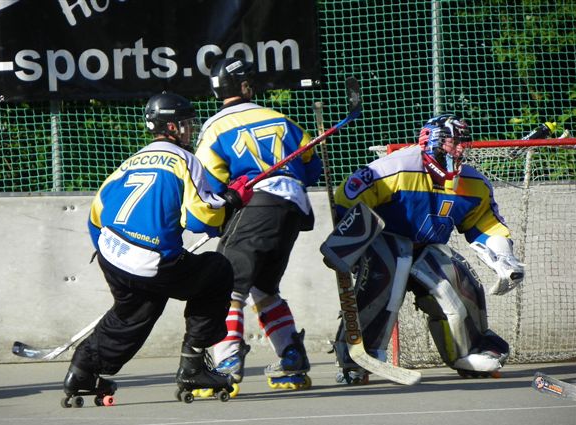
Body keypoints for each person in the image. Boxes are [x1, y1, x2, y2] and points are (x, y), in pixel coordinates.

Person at [61, 92, 253, 406]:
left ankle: (83, 369)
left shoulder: (128, 163)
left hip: (111, 253)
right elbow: (201, 218)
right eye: (186, 124)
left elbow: (96, 215)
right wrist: (232, 201)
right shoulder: (185, 161)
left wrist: (118, 254)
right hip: (150, 258)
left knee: (135, 310)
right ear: (172, 127)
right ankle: (193, 364)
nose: (190, 129)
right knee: (217, 271)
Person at [323, 114, 524, 383]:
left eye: (463, 143)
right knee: (392, 263)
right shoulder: (393, 169)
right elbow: (347, 200)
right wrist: (346, 244)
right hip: (381, 245)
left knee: (457, 277)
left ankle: (469, 350)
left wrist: (504, 258)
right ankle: (358, 354)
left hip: (426, 248)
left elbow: (485, 224)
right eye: (453, 142)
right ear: (432, 142)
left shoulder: (474, 184)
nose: (460, 150)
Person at [194, 56, 322, 390]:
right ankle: (292, 357)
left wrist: (214, 214)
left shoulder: (214, 127)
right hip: (293, 206)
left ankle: (227, 364)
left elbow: (209, 182)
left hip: (257, 204)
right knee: (264, 287)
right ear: (246, 85)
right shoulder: (280, 118)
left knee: (225, 284)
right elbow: (312, 167)